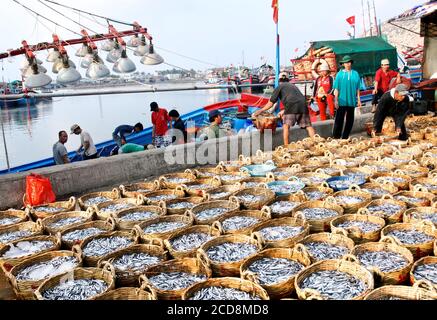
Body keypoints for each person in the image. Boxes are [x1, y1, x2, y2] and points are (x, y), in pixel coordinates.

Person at [253, 72, 315, 145]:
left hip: (291, 106)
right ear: (288, 80)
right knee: (308, 126)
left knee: (286, 127)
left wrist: (261, 110)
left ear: (279, 81)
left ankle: (286, 146)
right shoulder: (293, 86)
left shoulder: (279, 87)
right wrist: (284, 111)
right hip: (303, 105)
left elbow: (270, 103)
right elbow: (296, 99)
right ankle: (316, 143)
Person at [332, 55, 362, 140]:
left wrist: (359, 100)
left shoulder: (355, 74)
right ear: (343, 64)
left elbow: (358, 89)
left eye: (349, 62)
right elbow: (336, 89)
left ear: (351, 63)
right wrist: (336, 100)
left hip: (351, 101)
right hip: (342, 101)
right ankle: (336, 137)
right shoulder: (339, 74)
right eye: (346, 63)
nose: (348, 64)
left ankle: (345, 137)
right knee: (339, 120)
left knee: (350, 120)